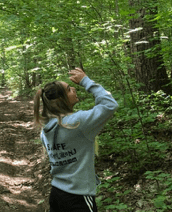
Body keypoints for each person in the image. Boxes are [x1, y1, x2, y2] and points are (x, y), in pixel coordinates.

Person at [33, 68, 118, 212]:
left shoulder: (46, 128)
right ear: (61, 99)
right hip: (78, 197)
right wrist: (86, 81)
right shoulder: (77, 123)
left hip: (57, 194)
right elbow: (110, 104)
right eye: (68, 89)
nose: (73, 88)